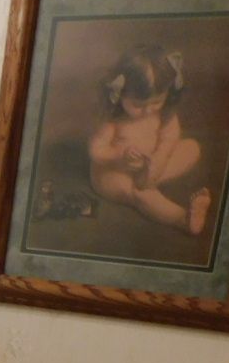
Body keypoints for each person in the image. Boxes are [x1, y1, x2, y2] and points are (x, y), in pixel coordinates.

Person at [88, 45, 212, 236]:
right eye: (138, 105)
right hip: (115, 171)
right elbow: (96, 150)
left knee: (192, 147)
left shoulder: (165, 114)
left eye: (156, 102)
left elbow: (170, 137)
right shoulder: (114, 120)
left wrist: (159, 159)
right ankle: (183, 218)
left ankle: (149, 179)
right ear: (120, 94)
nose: (148, 110)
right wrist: (119, 155)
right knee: (137, 192)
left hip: (152, 165)